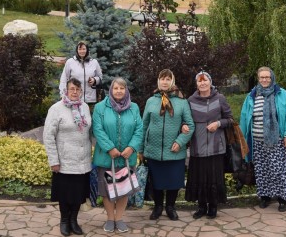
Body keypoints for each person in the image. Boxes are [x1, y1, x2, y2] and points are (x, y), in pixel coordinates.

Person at [239, 66, 286, 212]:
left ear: (272, 78)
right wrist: (242, 140)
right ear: (258, 79)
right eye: (262, 77)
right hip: (258, 142)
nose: (265, 80)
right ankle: (265, 197)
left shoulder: (281, 93)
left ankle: (283, 199)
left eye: (267, 77)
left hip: (278, 141)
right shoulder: (252, 95)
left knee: (280, 171)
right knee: (262, 170)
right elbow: (244, 116)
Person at [140, 69, 195, 221]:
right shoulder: (151, 101)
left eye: (167, 79)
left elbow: (190, 125)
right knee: (156, 181)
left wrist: (180, 141)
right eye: (162, 79)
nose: (164, 82)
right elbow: (144, 126)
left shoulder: (182, 102)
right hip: (154, 150)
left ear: (172, 81)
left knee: (173, 181)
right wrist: (141, 149)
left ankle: (170, 207)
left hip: (175, 151)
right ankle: (158, 207)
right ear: (158, 81)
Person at [92, 77, 143, 233]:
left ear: (126, 90)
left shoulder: (133, 108)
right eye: (116, 88)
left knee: (123, 188)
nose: (119, 91)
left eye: (122, 88)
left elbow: (139, 130)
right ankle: (109, 219)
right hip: (107, 157)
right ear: (111, 90)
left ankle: (119, 218)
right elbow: (97, 129)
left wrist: (132, 147)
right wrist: (110, 148)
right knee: (107, 190)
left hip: (127, 158)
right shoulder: (100, 108)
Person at [44, 77, 92, 236]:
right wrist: (54, 161)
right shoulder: (56, 109)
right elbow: (48, 136)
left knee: (78, 193)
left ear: (81, 91)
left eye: (78, 90)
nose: (75, 92)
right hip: (64, 161)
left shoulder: (84, 107)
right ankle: (64, 220)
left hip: (82, 160)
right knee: (65, 194)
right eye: (72, 89)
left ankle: (74, 220)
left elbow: (88, 131)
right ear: (66, 90)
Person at [185, 71, 233, 219]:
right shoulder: (190, 101)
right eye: (199, 81)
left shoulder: (220, 99)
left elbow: (230, 120)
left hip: (216, 147)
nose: (202, 83)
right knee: (199, 177)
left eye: (205, 80)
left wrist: (218, 123)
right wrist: (184, 126)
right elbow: (185, 119)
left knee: (214, 177)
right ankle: (201, 207)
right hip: (197, 147)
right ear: (196, 84)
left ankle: (213, 206)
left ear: (210, 82)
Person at [59, 41, 102, 107]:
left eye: (84, 49)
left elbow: (100, 77)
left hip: (90, 99)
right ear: (77, 50)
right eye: (80, 49)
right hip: (74, 98)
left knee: (88, 117)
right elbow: (64, 78)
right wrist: (62, 93)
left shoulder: (94, 62)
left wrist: (94, 80)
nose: (82, 51)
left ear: (87, 50)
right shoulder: (70, 62)